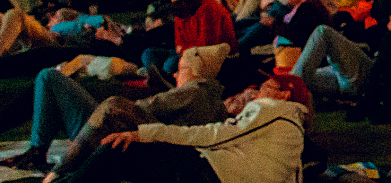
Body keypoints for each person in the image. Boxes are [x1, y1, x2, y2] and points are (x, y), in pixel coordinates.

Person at [0, 43, 230, 175]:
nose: (177, 74)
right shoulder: (209, 99)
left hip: (109, 135)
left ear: (196, 72)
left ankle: (43, 155)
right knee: (50, 79)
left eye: (181, 69)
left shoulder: (195, 91)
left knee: (49, 78)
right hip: (121, 137)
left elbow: (143, 107)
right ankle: (38, 150)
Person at [53, 73, 310, 183]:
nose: (258, 91)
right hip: (214, 171)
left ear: (285, 94)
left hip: (209, 172)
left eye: (267, 86)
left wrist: (143, 133)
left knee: (116, 149)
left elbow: (214, 135)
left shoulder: (271, 109)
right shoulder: (292, 127)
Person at [142, 0, 237, 86]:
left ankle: (164, 79)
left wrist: (183, 49)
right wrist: (182, 49)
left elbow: (206, 45)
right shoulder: (181, 9)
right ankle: (158, 76)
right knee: (148, 53)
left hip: (208, 57)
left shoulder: (209, 10)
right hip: (186, 52)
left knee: (170, 63)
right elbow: (179, 41)